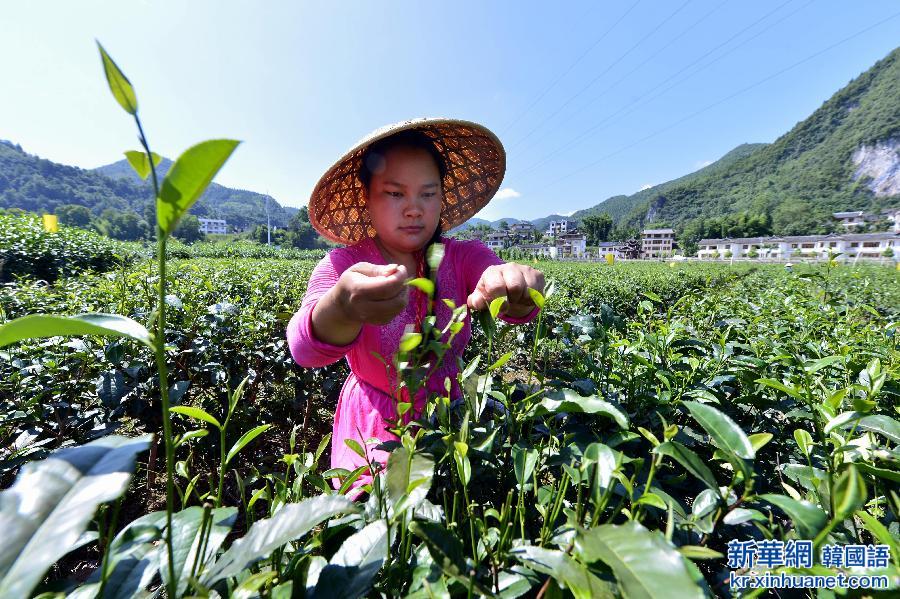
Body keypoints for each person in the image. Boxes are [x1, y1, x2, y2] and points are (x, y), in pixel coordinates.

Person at [286, 118, 544, 495]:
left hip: (450, 419)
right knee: (377, 531)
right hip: (374, 429)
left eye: (428, 193)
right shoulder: (342, 267)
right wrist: (342, 306)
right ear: (367, 198)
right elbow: (305, 347)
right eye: (394, 194)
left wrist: (512, 286)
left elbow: (498, 282)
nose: (414, 209)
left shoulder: (462, 257)